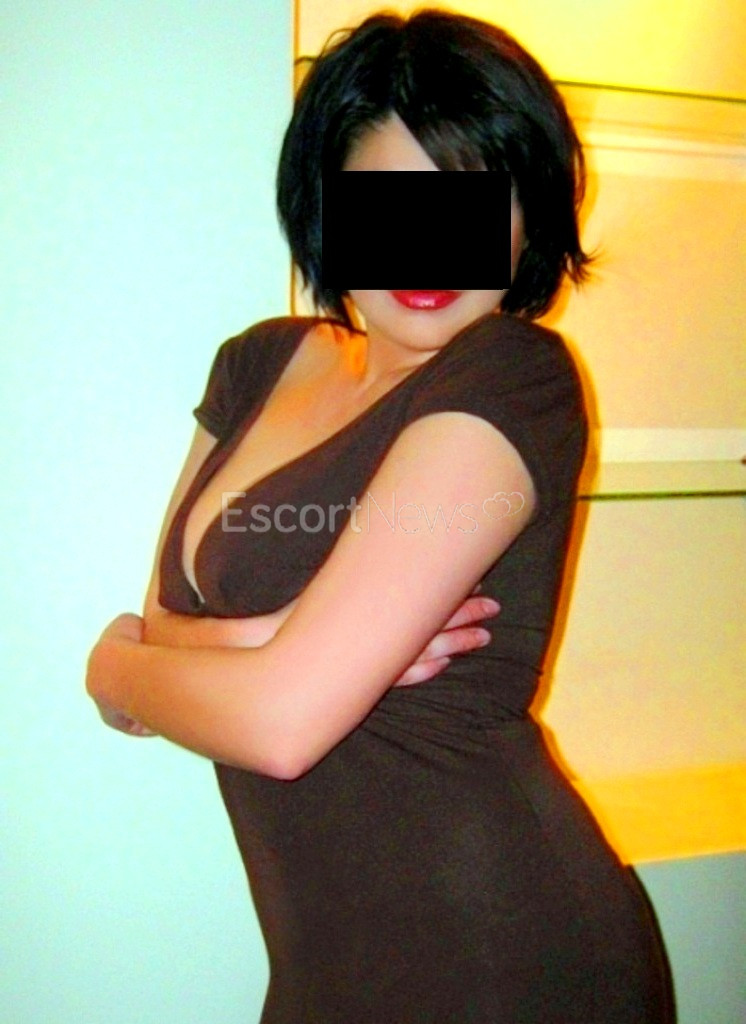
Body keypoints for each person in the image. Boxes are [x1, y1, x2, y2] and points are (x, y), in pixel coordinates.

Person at [86, 9, 675, 1022]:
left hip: (503, 954)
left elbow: (276, 723)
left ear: (526, 219)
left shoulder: (514, 379)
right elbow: (168, 626)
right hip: (324, 965)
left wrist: (112, 663)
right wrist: (273, 641)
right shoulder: (257, 365)